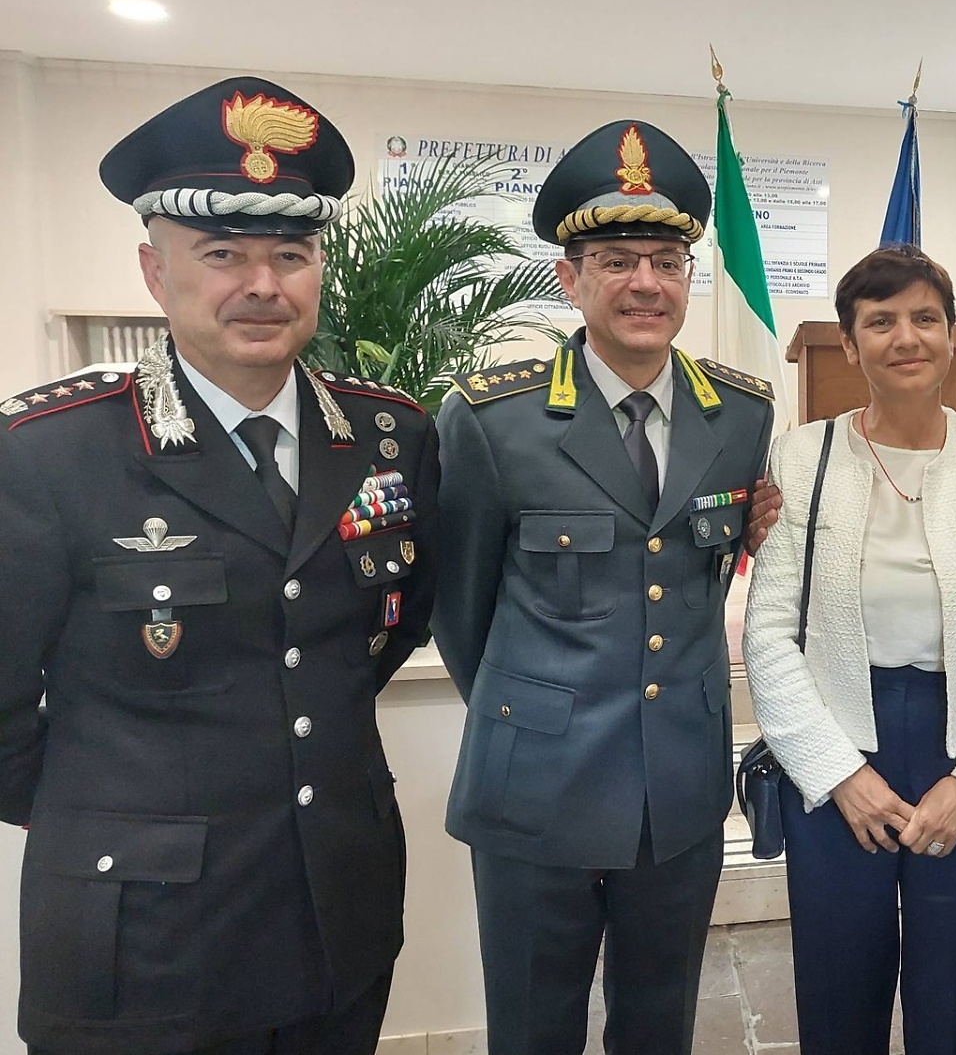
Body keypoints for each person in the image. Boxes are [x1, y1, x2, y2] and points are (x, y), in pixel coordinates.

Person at [0, 76, 438, 1054]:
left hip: (337, 915)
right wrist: (104, 813)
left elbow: (383, 629)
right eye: (222, 254)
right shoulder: (49, 451)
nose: (262, 284)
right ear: (155, 273)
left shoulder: (390, 436)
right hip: (142, 943)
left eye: (290, 254)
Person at [433, 118, 775, 1055]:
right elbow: (461, 611)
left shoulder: (739, 416)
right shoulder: (493, 419)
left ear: (689, 279)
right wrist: (534, 714)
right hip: (534, 788)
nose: (644, 284)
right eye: (616, 261)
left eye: (666, 262)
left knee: (659, 1025)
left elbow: (706, 573)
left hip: (678, 790)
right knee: (533, 1029)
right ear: (570, 279)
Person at [743, 245, 956, 1054]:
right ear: (850, 347)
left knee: (955, 988)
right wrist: (837, 774)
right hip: (839, 735)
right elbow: (770, 632)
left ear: (952, 336)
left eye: (926, 317)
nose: (907, 337)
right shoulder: (801, 456)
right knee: (837, 979)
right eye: (880, 322)